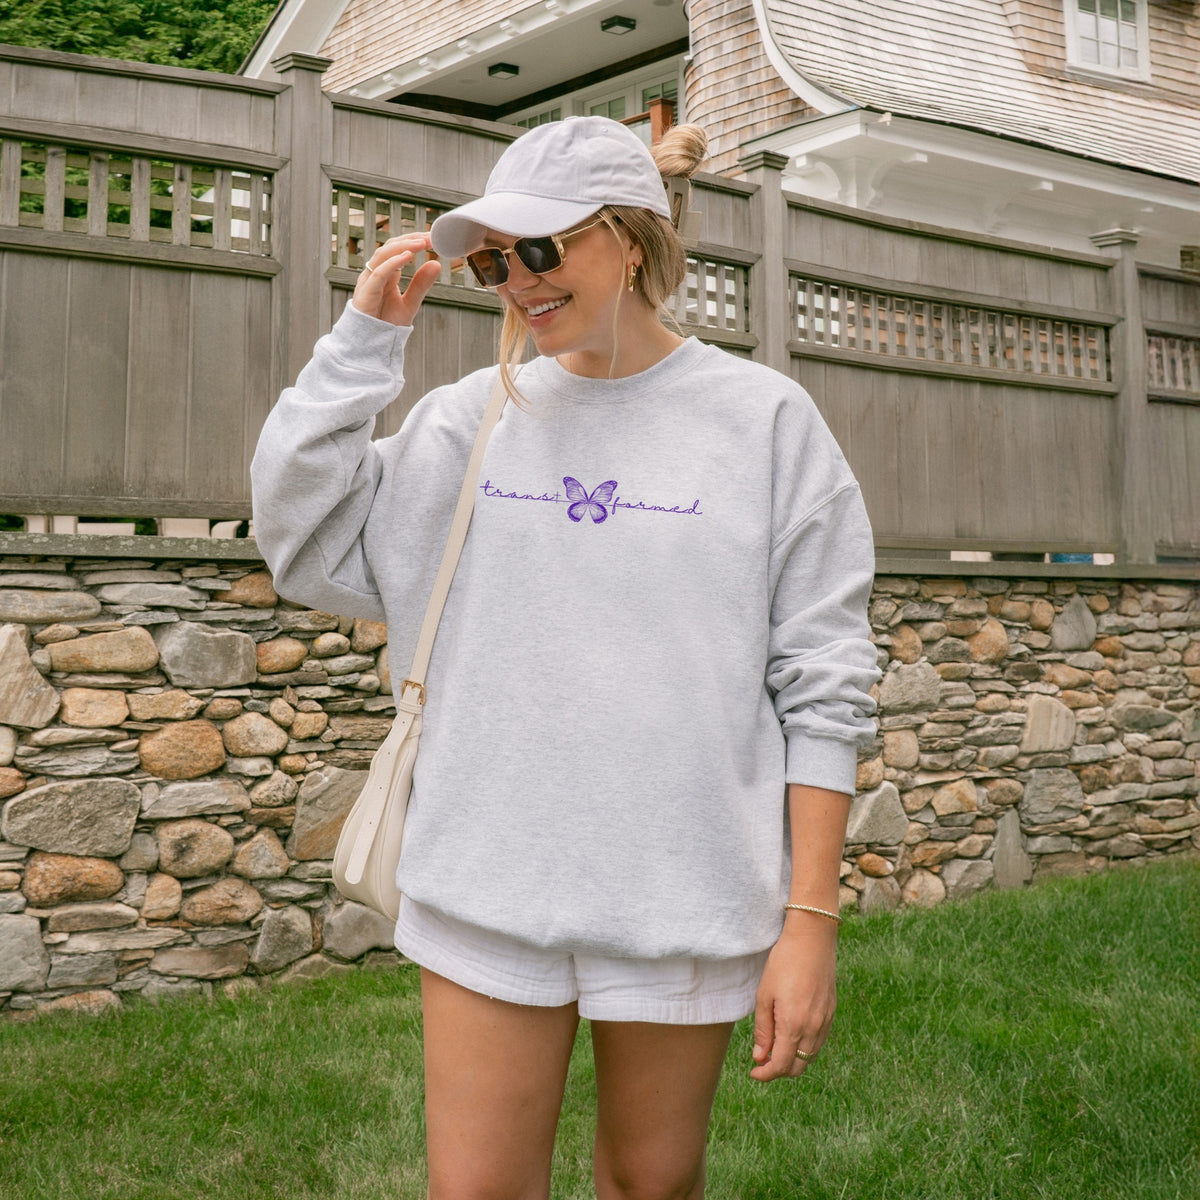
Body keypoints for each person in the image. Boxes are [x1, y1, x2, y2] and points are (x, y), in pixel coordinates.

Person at [252, 115, 879, 1200]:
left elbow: (823, 681)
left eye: (543, 249)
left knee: (652, 1185)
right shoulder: (469, 423)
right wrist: (361, 346)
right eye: (495, 260)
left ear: (632, 240)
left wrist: (809, 923)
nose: (518, 282)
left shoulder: (765, 423)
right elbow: (299, 538)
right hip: (490, 881)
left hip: (683, 892)